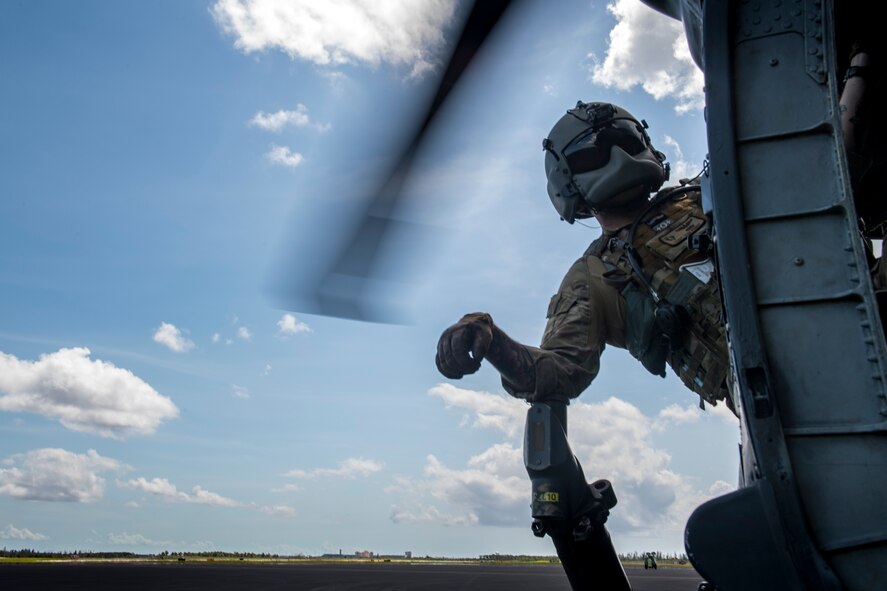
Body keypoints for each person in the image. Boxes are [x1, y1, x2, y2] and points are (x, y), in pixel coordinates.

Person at [435, 101, 736, 415]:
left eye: (626, 141)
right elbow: (556, 371)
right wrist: (493, 341)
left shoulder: (707, 192)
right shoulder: (596, 273)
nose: (618, 157)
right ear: (567, 183)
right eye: (593, 154)